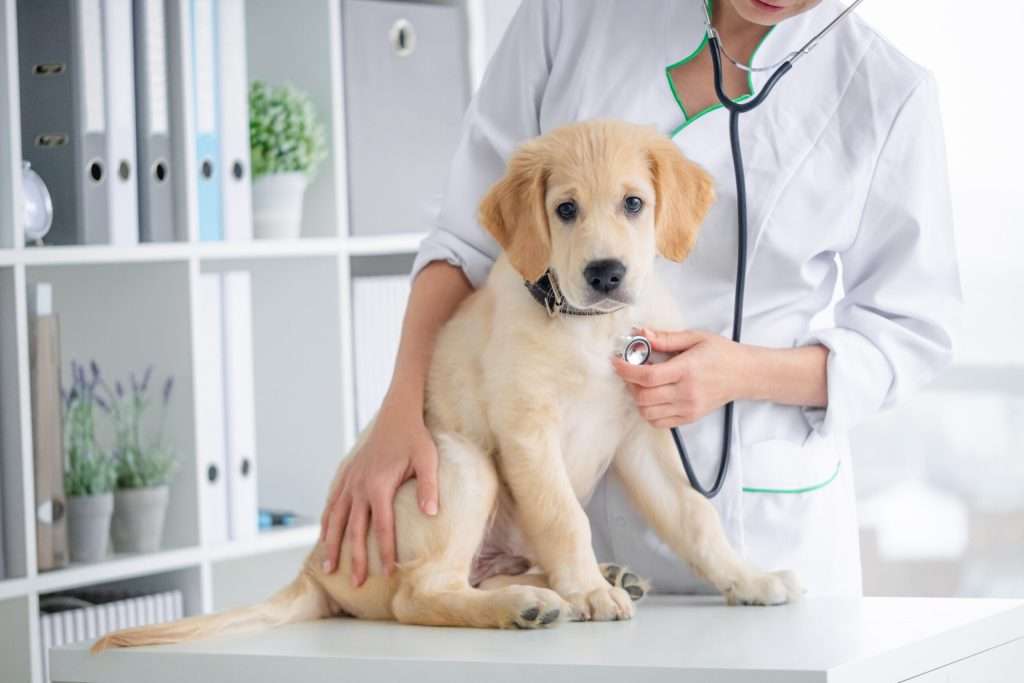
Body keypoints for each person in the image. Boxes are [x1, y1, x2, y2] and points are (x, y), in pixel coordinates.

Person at [320, 0, 961, 596]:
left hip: (763, 514)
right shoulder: (570, 14)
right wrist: (398, 416)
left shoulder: (887, 93)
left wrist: (740, 372)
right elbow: (468, 240)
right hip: (552, 524)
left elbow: (911, 329)